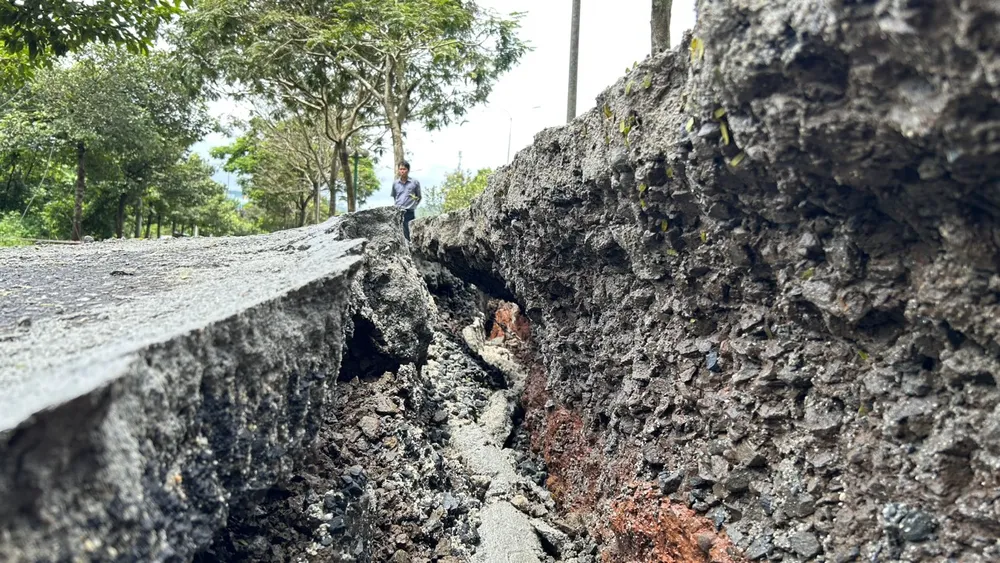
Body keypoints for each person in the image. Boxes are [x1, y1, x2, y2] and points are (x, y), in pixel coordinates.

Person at [391, 160, 421, 241]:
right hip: (398, 211)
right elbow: (395, 196)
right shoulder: (395, 183)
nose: (402, 171)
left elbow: (418, 197)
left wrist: (413, 205)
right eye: (400, 169)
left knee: (410, 231)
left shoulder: (415, 183)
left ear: (408, 170)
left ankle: (411, 248)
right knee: (400, 232)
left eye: (404, 169)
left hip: (409, 211)